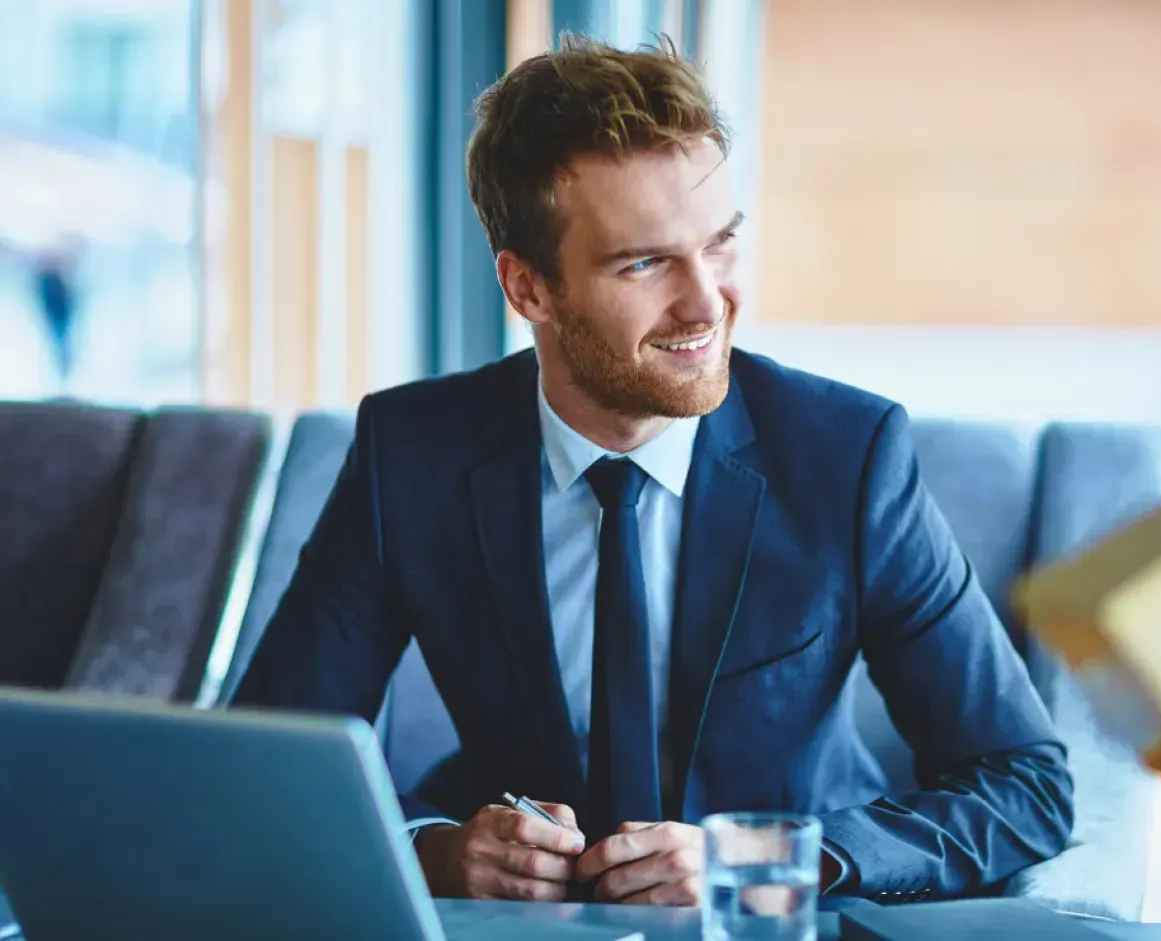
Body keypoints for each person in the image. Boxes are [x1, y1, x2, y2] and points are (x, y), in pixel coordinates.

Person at [233, 36, 1073, 908]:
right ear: (529, 290)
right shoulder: (410, 452)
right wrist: (436, 850)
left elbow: (1024, 784)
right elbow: (268, 758)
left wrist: (759, 864)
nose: (707, 302)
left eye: (719, 244)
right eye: (644, 262)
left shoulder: (847, 456)